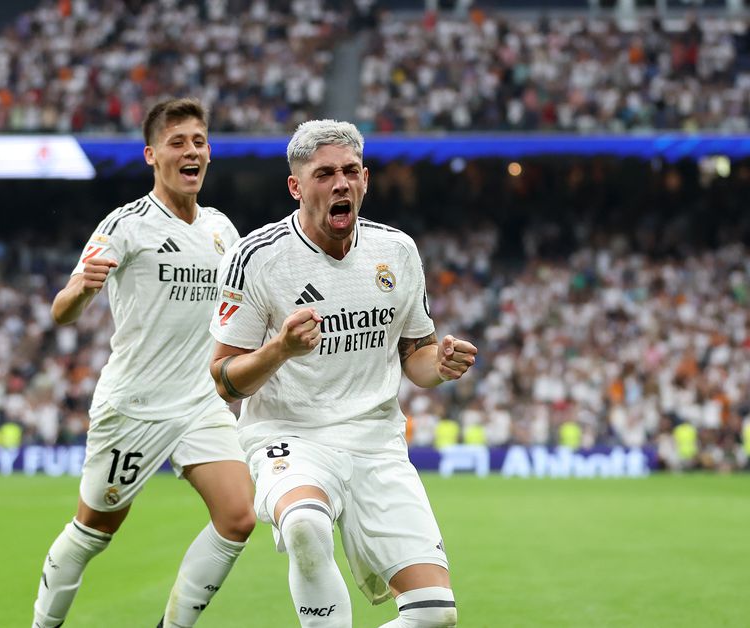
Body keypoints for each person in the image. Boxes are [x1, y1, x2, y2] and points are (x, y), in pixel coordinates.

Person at [208, 119, 477, 627]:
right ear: (296, 186)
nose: (341, 184)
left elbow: (415, 359)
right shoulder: (256, 257)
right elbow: (222, 378)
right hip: (291, 435)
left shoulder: (396, 251)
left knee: (435, 616)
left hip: (377, 443)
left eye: (351, 171)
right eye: (325, 173)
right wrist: (280, 350)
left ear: (366, 179)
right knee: (306, 523)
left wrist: (439, 365)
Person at [32, 97, 256, 628]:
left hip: (199, 402)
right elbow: (61, 311)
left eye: (199, 141)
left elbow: (249, 304)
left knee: (239, 517)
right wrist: (82, 291)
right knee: (92, 532)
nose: (191, 151)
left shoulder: (223, 230)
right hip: (135, 404)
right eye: (178, 142)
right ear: (152, 155)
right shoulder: (126, 225)